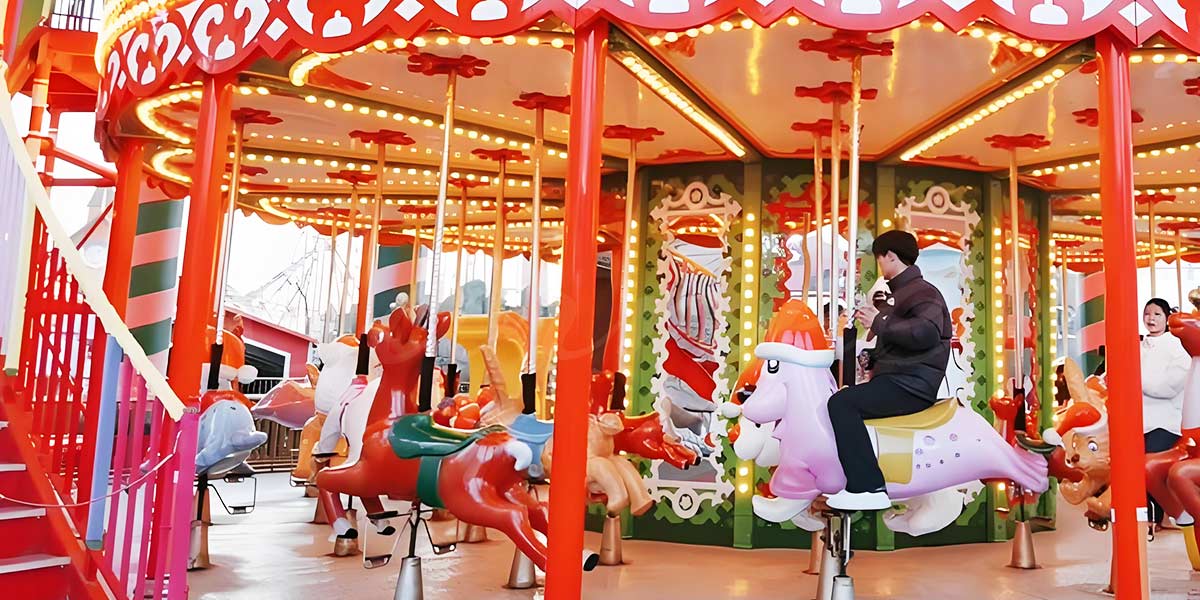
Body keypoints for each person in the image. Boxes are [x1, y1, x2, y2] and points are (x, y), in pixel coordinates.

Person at [825, 230, 952, 511]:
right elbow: (904, 342)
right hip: (902, 378)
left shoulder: (923, 292)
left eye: (880, 259)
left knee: (842, 404)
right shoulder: (903, 294)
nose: (880, 266)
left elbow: (926, 333)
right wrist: (873, 357)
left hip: (911, 384)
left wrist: (879, 321)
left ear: (890, 257)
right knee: (846, 398)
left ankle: (867, 484)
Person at [1140, 297, 1191, 526]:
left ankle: (1157, 516)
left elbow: (1170, 385)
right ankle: (1145, 516)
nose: (1151, 318)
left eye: (1157, 314)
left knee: (1150, 466)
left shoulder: (1177, 346)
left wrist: (1137, 381)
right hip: (1139, 420)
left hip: (1165, 421)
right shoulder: (1138, 346)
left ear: (1167, 317)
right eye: (1147, 313)